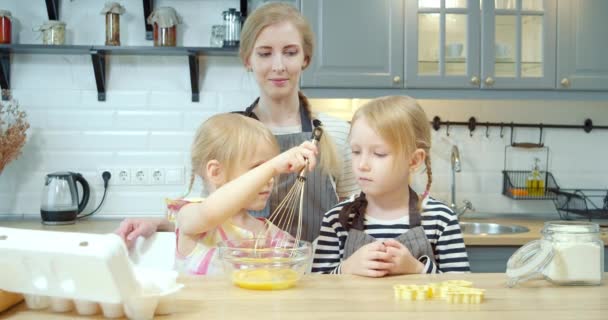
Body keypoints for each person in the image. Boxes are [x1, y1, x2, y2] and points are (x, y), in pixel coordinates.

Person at [115, 3, 358, 248]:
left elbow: (356, 216)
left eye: (290, 52)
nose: (278, 65)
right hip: (243, 275)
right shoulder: (229, 137)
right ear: (247, 59)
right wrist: (159, 225)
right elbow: (207, 216)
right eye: (264, 53)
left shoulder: (336, 132)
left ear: (305, 58)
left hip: (318, 276)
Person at [311, 96, 470, 276]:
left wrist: (417, 269)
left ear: (414, 160)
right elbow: (317, 289)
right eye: (356, 151)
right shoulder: (337, 219)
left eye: (379, 154)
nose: (362, 164)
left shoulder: (440, 220)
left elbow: (460, 289)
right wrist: (346, 268)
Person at [169, 113, 317, 275]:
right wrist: (273, 166)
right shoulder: (190, 216)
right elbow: (209, 212)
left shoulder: (270, 233)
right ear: (216, 172)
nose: (270, 178)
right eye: (258, 168)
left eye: (269, 170)